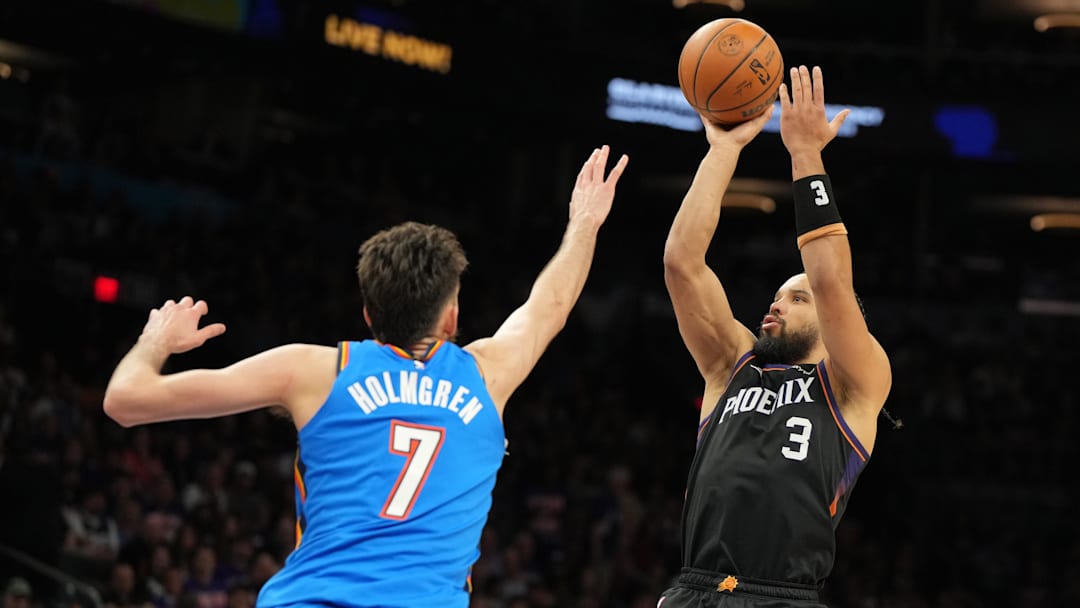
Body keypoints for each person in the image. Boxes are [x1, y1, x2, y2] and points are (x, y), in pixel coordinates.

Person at [103, 145, 629, 608]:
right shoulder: (487, 375)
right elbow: (550, 305)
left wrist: (157, 340)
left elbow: (125, 401)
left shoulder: (311, 370)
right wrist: (585, 222)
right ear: (451, 317)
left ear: (368, 314)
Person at [658, 65, 892, 607]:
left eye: (797, 299)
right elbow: (681, 263)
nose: (776, 303)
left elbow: (830, 280)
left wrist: (805, 153)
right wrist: (723, 150)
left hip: (782, 596)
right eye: (779, 295)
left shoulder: (854, 384)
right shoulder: (732, 367)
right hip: (695, 589)